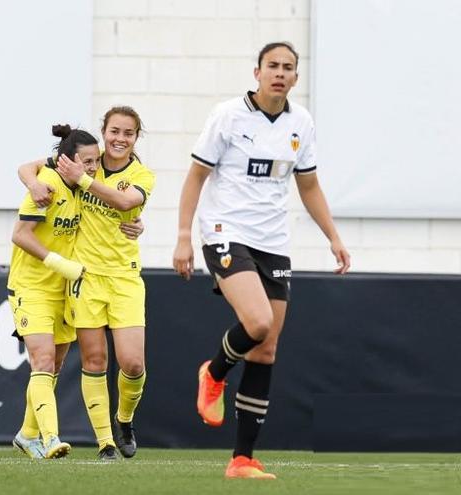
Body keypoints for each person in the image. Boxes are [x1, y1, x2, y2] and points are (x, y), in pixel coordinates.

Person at [172, 42, 351, 479]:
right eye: (272, 65)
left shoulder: (301, 122)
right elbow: (196, 175)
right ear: (257, 72)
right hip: (225, 231)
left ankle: (242, 459)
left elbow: (308, 185)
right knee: (258, 323)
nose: (280, 73)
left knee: (266, 349)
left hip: (274, 241)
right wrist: (182, 237)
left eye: (288, 67)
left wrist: (333, 237)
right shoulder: (228, 115)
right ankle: (213, 374)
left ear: (295, 77)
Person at [19, 106, 155, 461]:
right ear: (105, 131)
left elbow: (126, 200)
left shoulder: (136, 174)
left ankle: (124, 420)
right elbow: (30, 166)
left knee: (133, 364)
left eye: (128, 133)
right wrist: (34, 182)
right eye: (115, 131)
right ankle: (106, 443)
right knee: (94, 359)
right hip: (84, 278)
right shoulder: (84, 162)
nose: (120, 139)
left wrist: (85, 180)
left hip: (125, 277)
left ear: (136, 138)